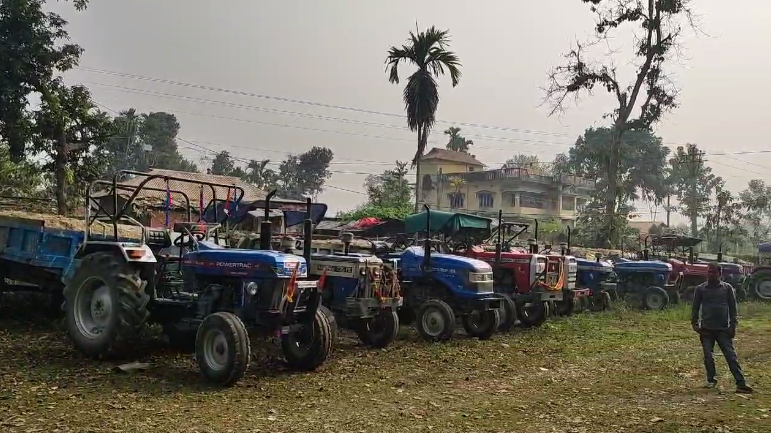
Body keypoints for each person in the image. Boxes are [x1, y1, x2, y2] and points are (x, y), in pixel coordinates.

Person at [691, 262, 753, 393]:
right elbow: (695, 308)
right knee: (708, 356)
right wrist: (695, 326)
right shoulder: (700, 289)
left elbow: (733, 308)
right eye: (709, 272)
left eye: (713, 272)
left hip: (723, 329)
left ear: (720, 273)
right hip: (706, 330)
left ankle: (741, 383)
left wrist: (733, 325)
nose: (710, 274)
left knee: (731, 356)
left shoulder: (727, 288)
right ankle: (711, 380)